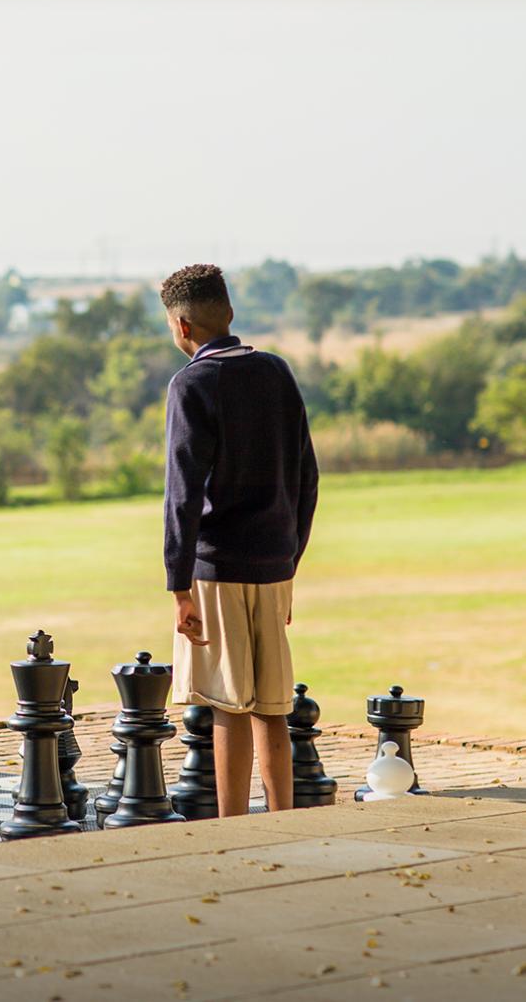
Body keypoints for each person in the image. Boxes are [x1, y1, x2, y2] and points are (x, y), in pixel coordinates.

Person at [160, 263, 318, 816]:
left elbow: (182, 495)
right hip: (275, 563)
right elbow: (306, 476)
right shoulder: (276, 372)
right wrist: (289, 561)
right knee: (272, 706)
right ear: (228, 312)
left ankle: (234, 829)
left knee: (228, 703)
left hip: (218, 568)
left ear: (182, 326)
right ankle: (280, 820)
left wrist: (178, 586)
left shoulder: (190, 384)